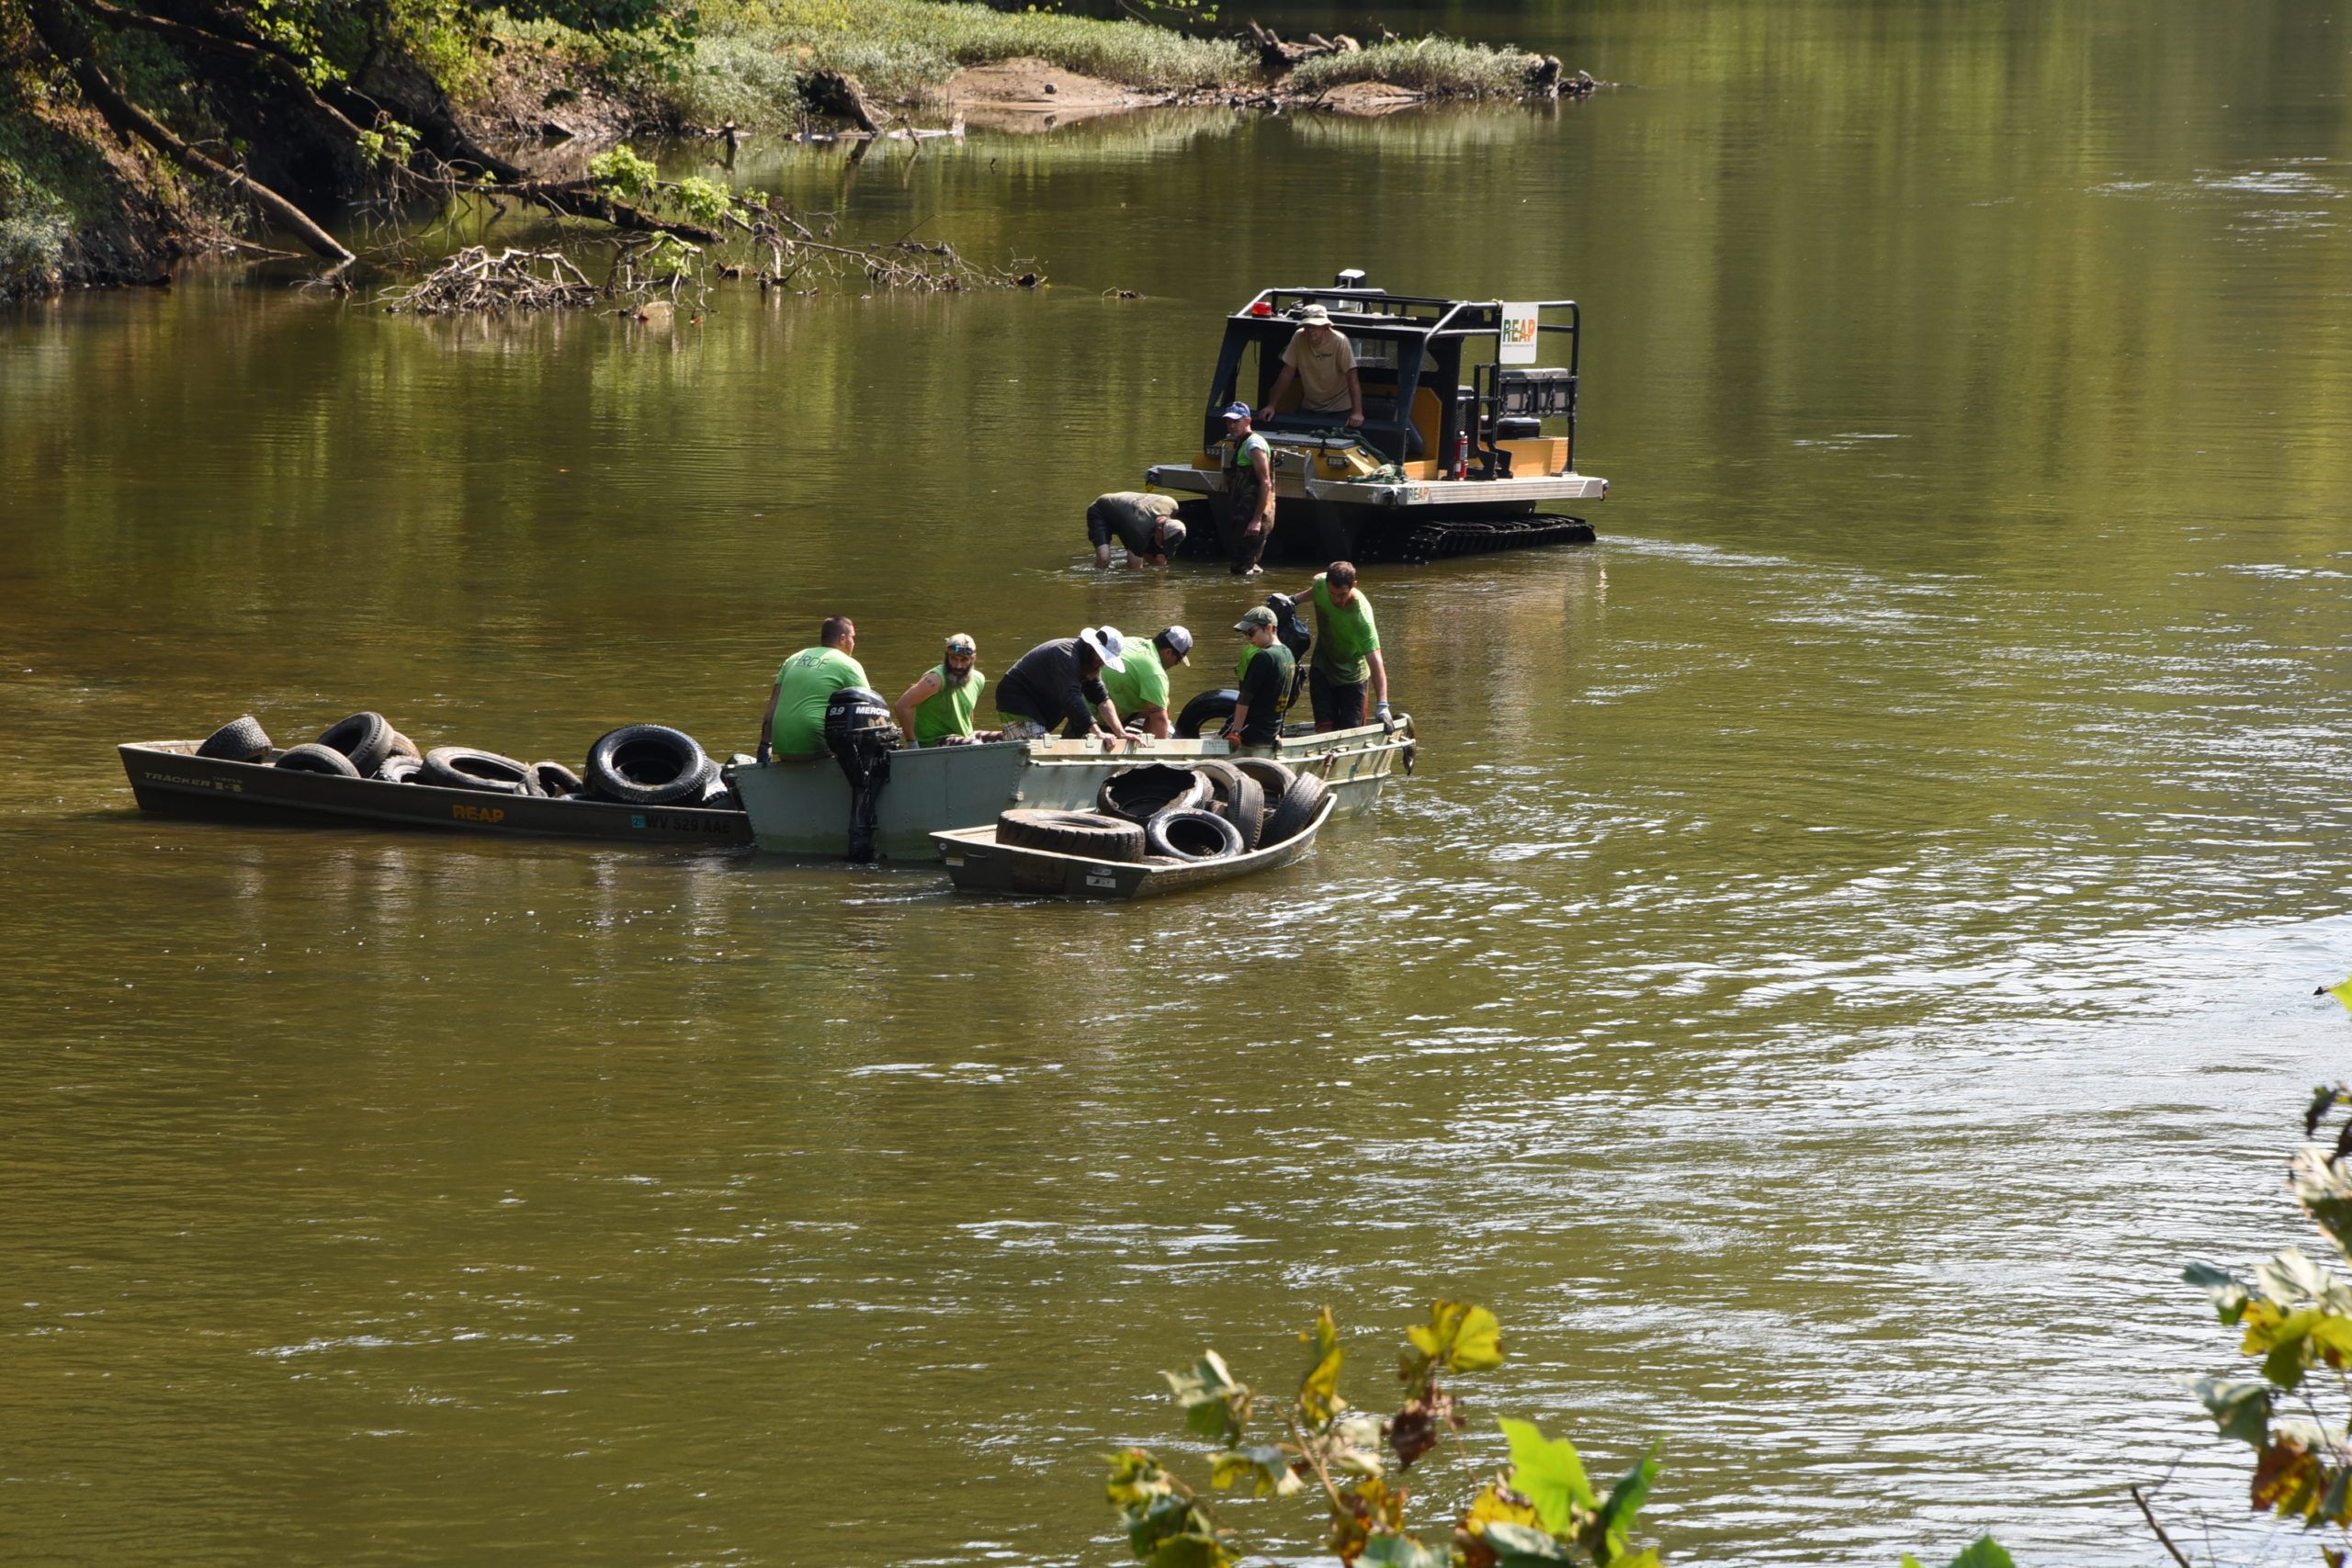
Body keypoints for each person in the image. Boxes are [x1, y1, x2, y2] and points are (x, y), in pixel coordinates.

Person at [993, 626, 1135, 748]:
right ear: (1091, 647)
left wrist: (1120, 733)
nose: (1101, 663)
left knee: (1043, 749)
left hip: (1039, 708)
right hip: (1017, 699)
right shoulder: (1066, 655)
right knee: (1038, 751)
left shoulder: (1089, 663)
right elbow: (1071, 698)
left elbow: (1101, 698)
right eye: (1101, 657)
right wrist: (1098, 733)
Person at [759, 615, 867, 761]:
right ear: (842, 638)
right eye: (853, 638)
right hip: (815, 745)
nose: (854, 643)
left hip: (783, 747)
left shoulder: (794, 658)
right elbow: (868, 705)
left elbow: (772, 707)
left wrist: (765, 745)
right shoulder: (848, 664)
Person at [1297, 560, 1390, 731]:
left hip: (1352, 678)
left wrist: (1382, 705)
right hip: (1323, 668)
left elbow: (1376, 662)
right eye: (1332, 593)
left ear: (1353, 585)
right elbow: (1314, 587)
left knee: (1351, 732)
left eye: (1342, 594)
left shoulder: (1361, 618)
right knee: (1324, 727)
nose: (1337, 599)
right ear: (1326, 586)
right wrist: (1290, 601)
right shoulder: (1321, 585)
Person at [1258, 303, 1364, 431]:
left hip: (1339, 409)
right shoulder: (1298, 337)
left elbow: (1352, 378)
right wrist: (1271, 405)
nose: (1310, 330)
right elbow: (1287, 372)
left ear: (1325, 326)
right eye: (1307, 325)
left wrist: (1357, 413)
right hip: (1309, 406)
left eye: (1315, 326)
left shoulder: (1339, 341)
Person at [891, 633, 1001, 748]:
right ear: (946, 657)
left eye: (964, 660)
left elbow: (968, 712)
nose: (958, 666)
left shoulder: (978, 679)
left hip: (963, 739)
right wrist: (912, 744)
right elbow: (901, 706)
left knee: (1009, 737)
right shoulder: (935, 680)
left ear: (973, 659)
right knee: (975, 746)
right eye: (954, 659)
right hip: (934, 742)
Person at [1098, 624, 1193, 739]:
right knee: (1162, 706)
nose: (1175, 665)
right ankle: (1148, 748)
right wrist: (1161, 753)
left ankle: (1146, 740)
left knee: (1160, 702)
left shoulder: (1133, 641)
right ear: (1168, 652)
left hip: (1082, 702)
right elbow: (1159, 718)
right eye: (1178, 660)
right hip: (1103, 716)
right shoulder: (1155, 673)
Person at [1224, 606, 1296, 749]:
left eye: (1251, 633)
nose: (1248, 639)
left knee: (1217, 739)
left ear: (1268, 628)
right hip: (1272, 732)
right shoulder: (1289, 654)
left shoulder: (1263, 657)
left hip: (1253, 731)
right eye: (1245, 634)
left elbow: (1245, 697)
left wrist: (1236, 732)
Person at [1218, 401, 1275, 578]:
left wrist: (1257, 520)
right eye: (1229, 422)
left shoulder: (1254, 444)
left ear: (1248, 420)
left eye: (1236, 421)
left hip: (1254, 517)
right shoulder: (1242, 443)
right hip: (1244, 515)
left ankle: (1251, 601)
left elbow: (1265, 483)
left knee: (1240, 569)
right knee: (1246, 565)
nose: (1232, 425)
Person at [1088, 492, 1188, 570]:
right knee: (1104, 559)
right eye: (1163, 542)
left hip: (1130, 516)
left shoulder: (1172, 505)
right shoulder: (1140, 528)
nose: (1162, 545)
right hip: (1101, 511)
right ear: (1159, 530)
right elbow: (1134, 567)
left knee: (1159, 560)